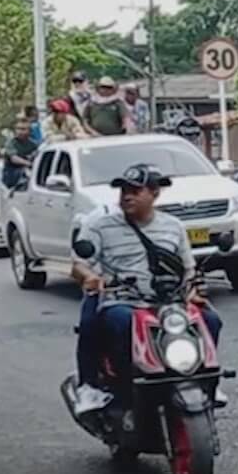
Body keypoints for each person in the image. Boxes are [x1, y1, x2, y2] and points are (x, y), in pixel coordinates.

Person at [68, 164, 221, 416]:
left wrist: (193, 289)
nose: (126, 196)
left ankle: (206, 383)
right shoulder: (100, 225)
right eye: (123, 190)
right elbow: (79, 265)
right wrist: (91, 277)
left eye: (135, 191)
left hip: (168, 301)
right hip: (122, 300)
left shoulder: (174, 226)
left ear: (154, 193)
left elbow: (188, 268)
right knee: (117, 323)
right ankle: (101, 387)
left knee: (210, 321)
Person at [1, 116, 39, 189]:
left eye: (23, 129)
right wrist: (29, 164)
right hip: (12, 176)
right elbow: (14, 158)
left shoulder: (33, 144)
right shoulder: (11, 143)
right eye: (18, 129)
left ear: (30, 131)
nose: (20, 132)